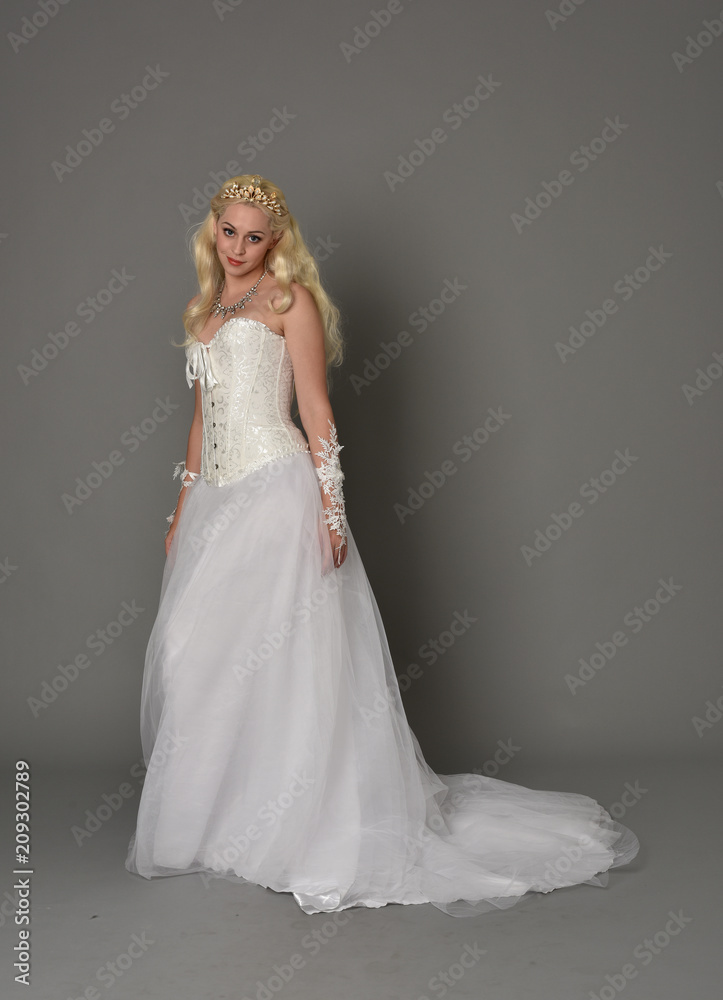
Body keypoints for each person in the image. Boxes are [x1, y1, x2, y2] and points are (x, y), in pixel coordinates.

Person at [125, 174, 640, 917]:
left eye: (253, 236)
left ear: (276, 242)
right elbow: (202, 421)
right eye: (227, 232)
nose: (238, 248)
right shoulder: (206, 307)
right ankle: (226, 822)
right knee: (196, 652)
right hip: (216, 502)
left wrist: (331, 513)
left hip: (276, 491)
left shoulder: (285, 301)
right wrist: (181, 509)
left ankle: (294, 829)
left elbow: (315, 410)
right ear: (212, 232)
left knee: (281, 662)